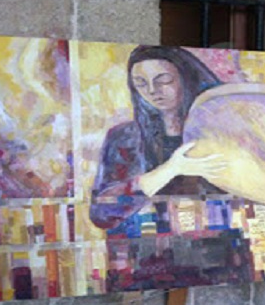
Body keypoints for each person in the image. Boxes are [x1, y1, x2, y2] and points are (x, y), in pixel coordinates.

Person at [89, 45, 227, 232]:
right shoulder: (124, 138)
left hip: (221, 241)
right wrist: (171, 169)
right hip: (148, 244)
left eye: (163, 80)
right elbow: (102, 213)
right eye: (140, 83)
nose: (152, 90)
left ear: (186, 78)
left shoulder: (221, 132)